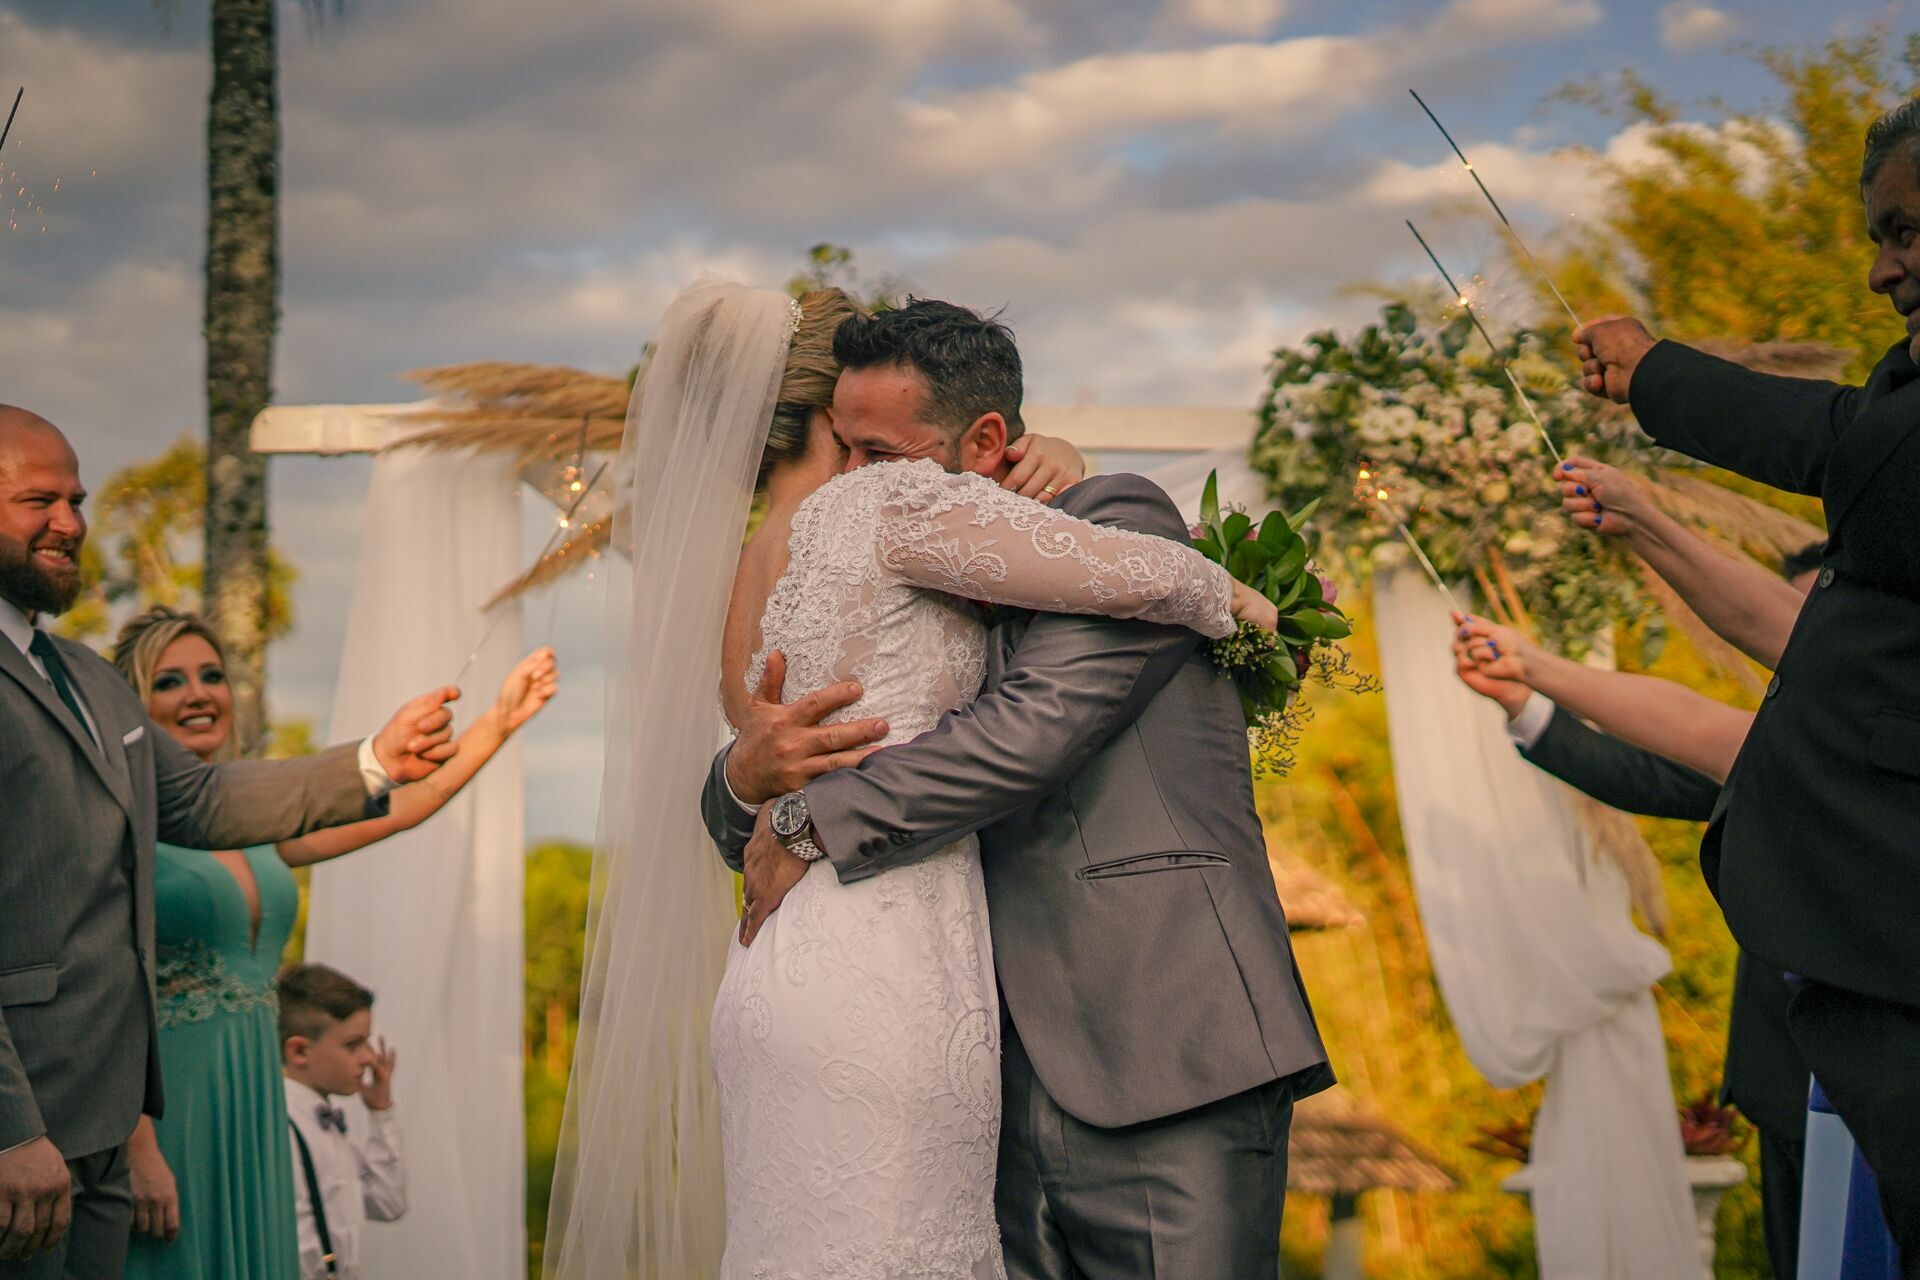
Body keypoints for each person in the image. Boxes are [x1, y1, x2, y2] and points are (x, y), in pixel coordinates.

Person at [702, 297, 1331, 1279]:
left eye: (883, 457)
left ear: (987, 436)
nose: (855, 485)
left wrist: (809, 820)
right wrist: (746, 774)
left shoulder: (1113, 516)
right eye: (846, 454)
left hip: (1157, 1037)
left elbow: (1035, 727)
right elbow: (772, 742)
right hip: (971, 1064)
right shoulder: (883, 557)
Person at [542, 285, 1097, 1280]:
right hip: (888, 951)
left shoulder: (752, 554)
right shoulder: (875, 518)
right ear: (824, 413)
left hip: (789, 953)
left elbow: (747, 770)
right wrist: (1058, 464)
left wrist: (752, 785)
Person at [1574, 97, 1920, 1268]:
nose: (1882, 272)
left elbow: (1852, 446)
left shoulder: (1893, 441)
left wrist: (1662, 374)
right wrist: (1644, 515)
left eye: (1910, 233)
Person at [0, 406, 460, 1279]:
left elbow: (203, 799)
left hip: (103, 1127)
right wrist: (10, 1128)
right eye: (38, 502)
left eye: (77, 500)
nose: (70, 523)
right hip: (22, 1132)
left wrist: (374, 757)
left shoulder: (89, 678)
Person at [109, 607, 554, 1280]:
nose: (199, 693)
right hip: (170, 1102)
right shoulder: (120, 824)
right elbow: (110, 994)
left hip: (252, 1093)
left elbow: (406, 803)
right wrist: (137, 1147)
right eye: (169, 681)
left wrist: (498, 720)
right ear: (135, 706)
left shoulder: (253, 820)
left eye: (211, 675)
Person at [1452, 495, 1822, 1278]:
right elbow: (1659, 760)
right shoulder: (1778, 741)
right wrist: (1526, 700)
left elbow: (1698, 729)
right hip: (1793, 1072)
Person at [278, 966, 406, 1280]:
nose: (367, 1058)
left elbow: (388, 1202)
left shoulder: (328, 1121)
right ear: (300, 1051)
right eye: (353, 1045)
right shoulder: (283, 1128)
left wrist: (381, 1112)